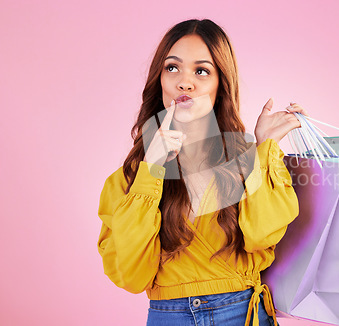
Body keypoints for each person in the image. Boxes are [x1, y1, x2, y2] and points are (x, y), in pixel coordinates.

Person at [97, 19, 308, 326]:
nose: (185, 82)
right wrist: (152, 171)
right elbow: (131, 277)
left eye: (201, 71)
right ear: (160, 79)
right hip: (169, 317)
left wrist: (263, 148)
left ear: (220, 83)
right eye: (172, 68)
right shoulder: (129, 181)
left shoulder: (246, 160)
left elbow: (262, 235)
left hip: (243, 312)